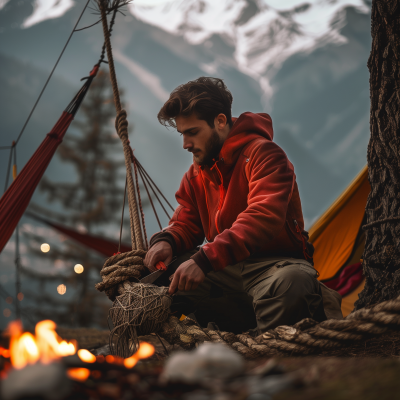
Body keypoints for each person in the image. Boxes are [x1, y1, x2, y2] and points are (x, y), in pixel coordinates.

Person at [144, 77, 342, 334]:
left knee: (293, 282)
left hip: (275, 266)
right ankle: (189, 342)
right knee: (159, 281)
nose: (186, 144)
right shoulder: (197, 172)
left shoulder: (266, 155)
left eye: (192, 132)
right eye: (183, 134)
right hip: (224, 267)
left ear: (220, 121)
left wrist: (204, 260)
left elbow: (263, 217)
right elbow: (187, 219)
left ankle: (263, 350)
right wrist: (167, 241)